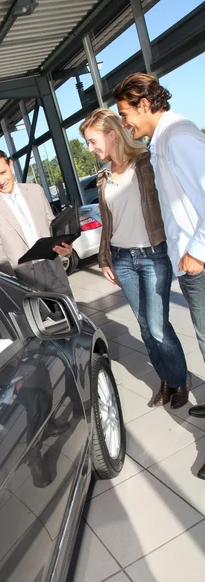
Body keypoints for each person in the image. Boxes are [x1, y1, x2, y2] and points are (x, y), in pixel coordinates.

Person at [113, 74, 205, 479]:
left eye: (125, 113)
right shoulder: (161, 141)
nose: (124, 122)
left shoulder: (179, 136)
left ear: (144, 103)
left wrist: (198, 253)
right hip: (190, 262)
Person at [80, 108, 189, 409]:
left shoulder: (146, 163)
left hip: (153, 254)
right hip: (122, 257)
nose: (91, 148)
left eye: (92, 141)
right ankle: (165, 379)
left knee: (157, 326)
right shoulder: (103, 178)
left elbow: (170, 201)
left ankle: (180, 380)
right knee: (144, 326)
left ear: (111, 134)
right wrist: (104, 259)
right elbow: (107, 223)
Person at [0, 150, 73, 296]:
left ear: (11, 165)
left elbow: (52, 226)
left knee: (70, 316)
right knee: (34, 319)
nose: (1, 181)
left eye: (3, 172)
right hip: (22, 279)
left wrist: (66, 247)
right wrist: (13, 283)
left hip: (53, 269)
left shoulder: (36, 190)